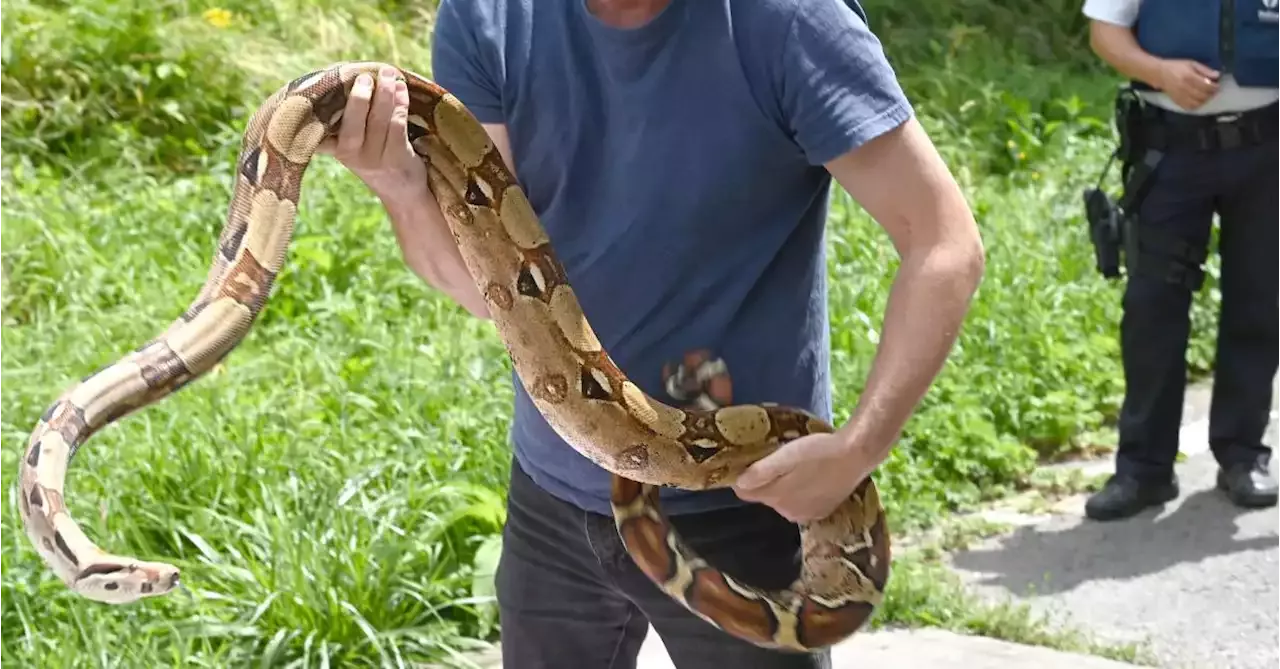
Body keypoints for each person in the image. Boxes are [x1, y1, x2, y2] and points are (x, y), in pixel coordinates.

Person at [320, 0, 984, 666]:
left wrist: (856, 451)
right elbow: (494, 293)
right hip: (551, 500)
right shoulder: (488, 16)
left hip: (743, 502)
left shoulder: (790, 21)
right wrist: (401, 188)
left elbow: (943, 242)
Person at [1081, 0, 1280, 522]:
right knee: (1151, 307)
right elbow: (1105, 31)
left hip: (1269, 150)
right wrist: (1160, 72)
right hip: (1171, 152)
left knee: (1259, 303)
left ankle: (1242, 454)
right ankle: (1143, 470)